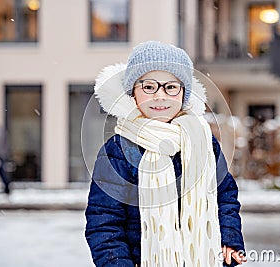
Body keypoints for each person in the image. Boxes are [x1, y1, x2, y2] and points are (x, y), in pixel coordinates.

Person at [85, 41, 246, 266]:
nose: (160, 96)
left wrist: (229, 241)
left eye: (171, 87)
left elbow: (224, 195)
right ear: (133, 92)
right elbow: (104, 223)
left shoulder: (202, 142)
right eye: (149, 87)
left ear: (184, 93)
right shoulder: (118, 151)